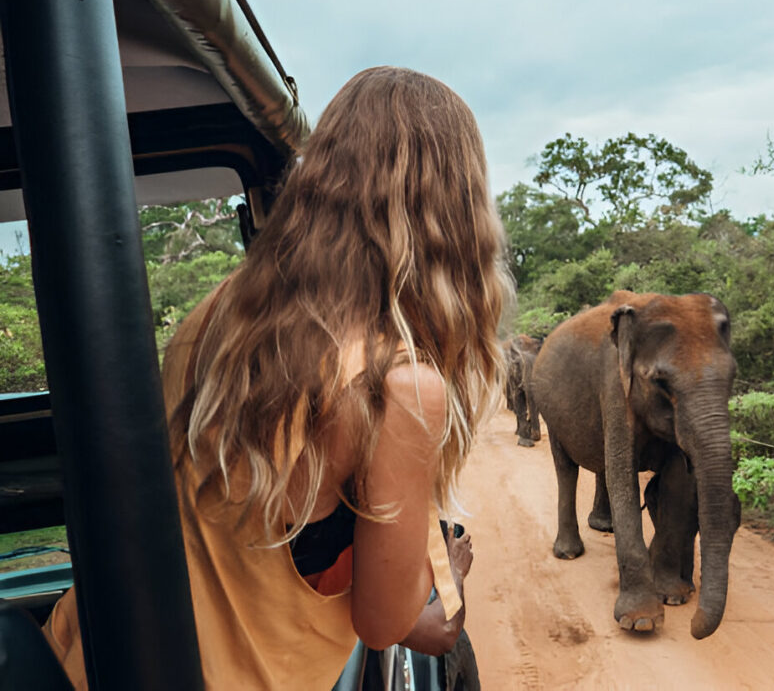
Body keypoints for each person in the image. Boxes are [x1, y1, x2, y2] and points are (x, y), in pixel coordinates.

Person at [43, 66, 511, 689]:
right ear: (456, 215)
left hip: (85, 656)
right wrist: (441, 569)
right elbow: (384, 623)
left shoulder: (217, 315)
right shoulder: (397, 386)